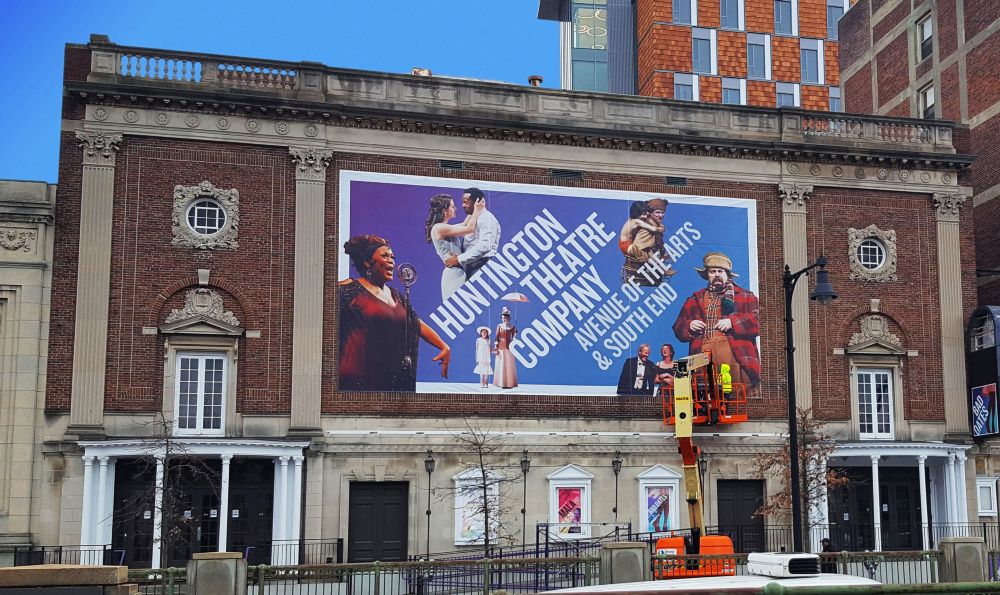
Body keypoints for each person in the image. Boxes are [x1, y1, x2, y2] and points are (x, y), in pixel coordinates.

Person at [338, 235, 451, 391]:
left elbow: (415, 323)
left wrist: (443, 346)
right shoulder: (349, 289)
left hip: (389, 377)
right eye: (385, 256)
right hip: (359, 378)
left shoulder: (396, 295)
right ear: (367, 262)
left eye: (392, 257)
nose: (391, 260)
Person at [672, 252, 761, 387]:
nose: (717, 274)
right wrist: (688, 325)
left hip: (737, 361)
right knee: (705, 402)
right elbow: (678, 326)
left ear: (727, 274)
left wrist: (733, 322)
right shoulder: (694, 300)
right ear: (707, 275)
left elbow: (761, 321)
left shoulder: (746, 296)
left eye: (721, 271)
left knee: (740, 402)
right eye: (713, 271)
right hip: (702, 362)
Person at [426, 193, 486, 299]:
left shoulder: (444, 227)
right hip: (453, 275)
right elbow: (469, 229)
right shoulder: (438, 228)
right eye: (452, 207)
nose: (455, 208)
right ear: (444, 211)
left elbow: (464, 224)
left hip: (459, 272)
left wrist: (473, 207)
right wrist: (476, 211)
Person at [443, 187, 501, 281]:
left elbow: (486, 245)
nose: (463, 205)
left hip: (481, 266)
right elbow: (462, 229)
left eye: (466, 202)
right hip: (470, 266)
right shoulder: (473, 218)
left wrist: (458, 259)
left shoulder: (487, 218)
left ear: (478, 201)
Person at [622, 198, 676, 285]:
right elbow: (638, 249)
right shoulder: (647, 229)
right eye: (657, 212)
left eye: (662, 212)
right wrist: (657, 263)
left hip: (649, 276)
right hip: (640, 276)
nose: (661, 215)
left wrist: (661, 255)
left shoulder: (656, 227)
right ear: (649, 213)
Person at [494, 307, 518, 388]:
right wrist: (496, 348)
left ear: (509, 318)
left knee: (509, 364)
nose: (504, 319)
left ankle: (510, 383)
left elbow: (514, 335)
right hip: (501, 347)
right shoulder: (499, 326)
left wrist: (515, 334)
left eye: (505, 318)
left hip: (510, 347)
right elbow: (497, 337)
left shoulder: (512, 326)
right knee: (501, 364)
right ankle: (501, 382)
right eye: (503, 318)